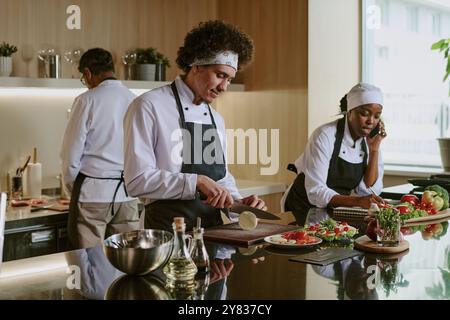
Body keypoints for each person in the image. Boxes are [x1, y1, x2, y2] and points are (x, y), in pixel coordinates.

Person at [123, 20, 266, 231]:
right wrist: (196, 182)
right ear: (197, 65)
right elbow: (136, 181)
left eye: (229, 79)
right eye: (220, 75)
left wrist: (239, 204)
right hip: (166, 232)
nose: (224, 87)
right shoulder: (149, 106)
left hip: (211, 233)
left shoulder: (216, 119)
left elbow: (221, 178)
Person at [61, 48, 139, 249]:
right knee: (126, 262)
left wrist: (72, 187)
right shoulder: (135, 100)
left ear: (88, 73)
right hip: (127, 196)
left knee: (89, 262)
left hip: (92, 195)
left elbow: (70, 153)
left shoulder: (86, 100)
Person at [282, 83, 386, 211]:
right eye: (365, 114)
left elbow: (367, 191)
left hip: (333, 210)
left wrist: (374, 150)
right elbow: (316, 192)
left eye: (376, 116)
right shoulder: (324, 135)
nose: (371, 121)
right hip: (301, 208)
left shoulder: (370, 141)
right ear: (350, 111)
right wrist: (357, 201)